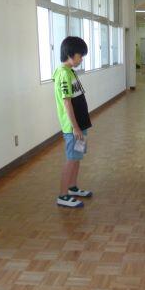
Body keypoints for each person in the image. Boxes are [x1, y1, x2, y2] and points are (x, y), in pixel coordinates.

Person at [53, 36, 93, 208]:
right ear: (70, 54)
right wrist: (75, 128)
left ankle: (72, 188)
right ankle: (62, 195)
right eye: (80, 55)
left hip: (80, 124)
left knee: (77, 157)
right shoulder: (63, 73)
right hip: (73, 128)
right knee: (71, 159)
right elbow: (67, 102)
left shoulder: (70, 71)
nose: (81, 59)